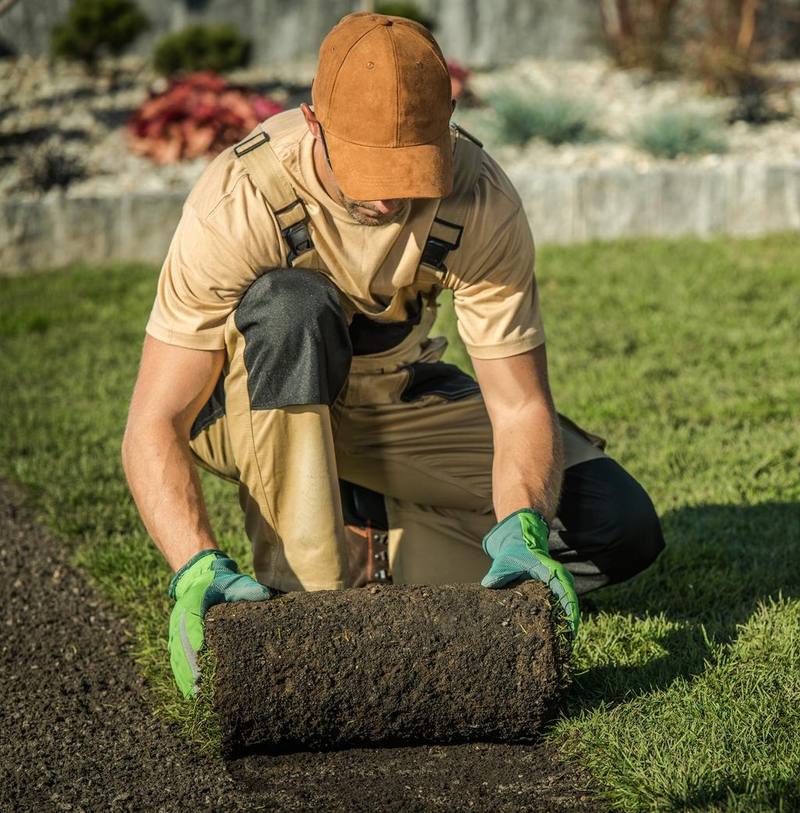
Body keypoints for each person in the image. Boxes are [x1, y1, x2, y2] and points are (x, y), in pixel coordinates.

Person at [121, 12, 665, 699]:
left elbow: (520, 404)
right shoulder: (242, 200)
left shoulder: (479, 198)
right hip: (252, 407)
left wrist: (522, 525)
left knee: (615, 525)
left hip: (392, 398)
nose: (386, 196)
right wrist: (194, 564)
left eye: (409, 170)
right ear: (313, 123)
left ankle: (372, 536)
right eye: (367, 167)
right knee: (292, 306)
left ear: (449, 122)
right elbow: (156, 420)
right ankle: (304, 599)